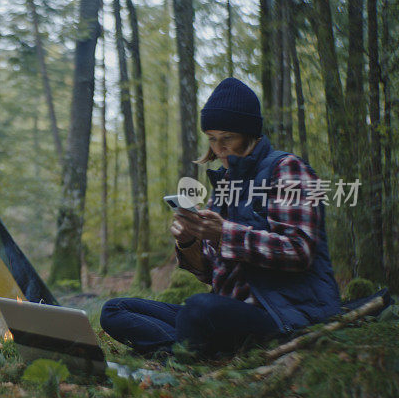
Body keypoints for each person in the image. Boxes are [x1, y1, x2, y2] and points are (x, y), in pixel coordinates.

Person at [100, 78, 340, 356]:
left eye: (227, 138)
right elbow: (211, 275)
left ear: (250, 134)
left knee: (199, 309)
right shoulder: (225, 185)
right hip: (226, 310)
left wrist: (224, 234)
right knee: (115, 310)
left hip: (283, 314)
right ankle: (177, 350)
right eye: (212, 139)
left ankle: (178, 350)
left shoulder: (287, 170)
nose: (219, 149)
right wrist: (189, 242)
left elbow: (299, 251)